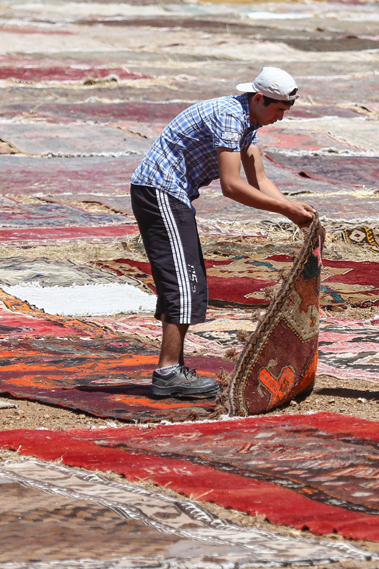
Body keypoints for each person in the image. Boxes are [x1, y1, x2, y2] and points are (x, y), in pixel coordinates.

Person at [130, 66, 316, 398]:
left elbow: (259, 179)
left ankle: (173, 369)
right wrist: (286, 210)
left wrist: (297, 212)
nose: (281, 118)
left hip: (173, 195)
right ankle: (168, 373)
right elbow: (232, 186)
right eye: (278, 110)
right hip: (160, 191)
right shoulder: (229, 116)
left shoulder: (249, 121)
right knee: (182, 282)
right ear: (259, 98)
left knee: (189, 281)